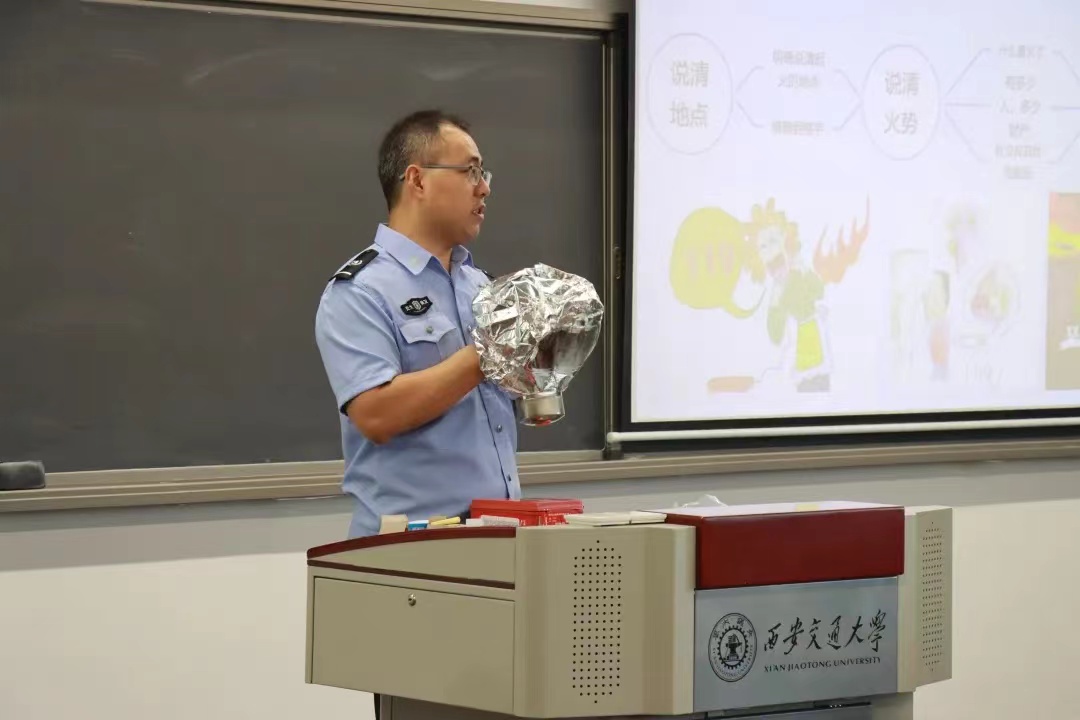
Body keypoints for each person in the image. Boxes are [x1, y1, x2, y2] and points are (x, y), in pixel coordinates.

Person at [314, 109, 521, 543]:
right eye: (470, 171)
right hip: (409, 549)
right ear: (418, 180)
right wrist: (486, 354)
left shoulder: (481, 286)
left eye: (484, 174)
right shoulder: (360, 290)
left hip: (498, 536)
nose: (484, 188)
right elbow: (376, 414)